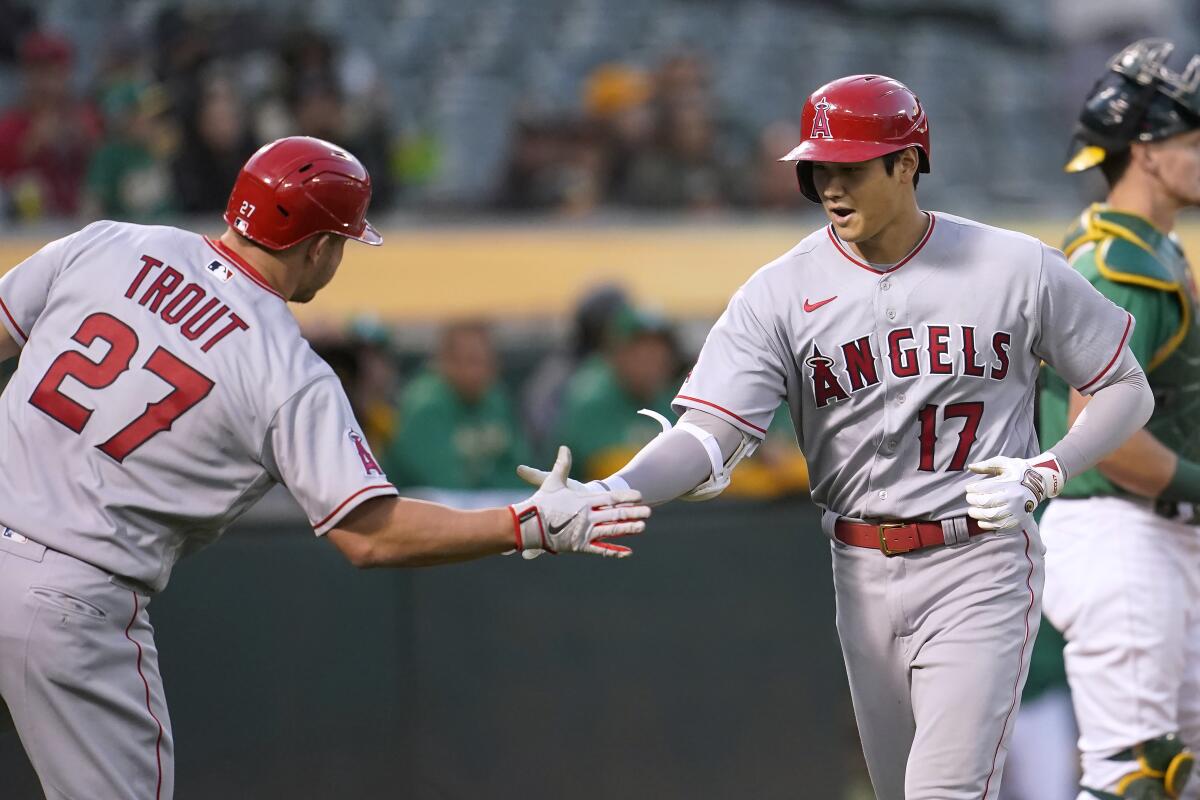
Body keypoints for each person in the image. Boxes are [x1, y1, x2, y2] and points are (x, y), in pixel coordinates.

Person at [518, 74, 1154, 798]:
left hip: (977, 559)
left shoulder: (1015, 266)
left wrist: (1049, 467)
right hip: (858, 567)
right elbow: (708, 434)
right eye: (818, 166)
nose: (829, 184)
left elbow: (1126, 388)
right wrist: (614, 490)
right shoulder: (779, 291)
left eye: (849, 165)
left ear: (907, 163)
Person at [0, 135, 649, 800]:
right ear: (318, 248)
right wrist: (525, 524)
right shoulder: (286, 367)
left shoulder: (109, 243)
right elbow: (372, 535)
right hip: (72, 596)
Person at [1040, 38, 1200, 800]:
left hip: (1157, 531)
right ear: (1146, 151)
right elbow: (1102, 434)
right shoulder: (1117, 264)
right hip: (1118, 532)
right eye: (1194, 141)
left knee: (1183, 776)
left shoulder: (1151, 248)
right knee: (1136, 777)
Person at [384, 320, 530, 490]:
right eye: (472, 361)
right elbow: (444, 483)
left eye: (487, 361)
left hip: (484, 506)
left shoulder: (495, 398)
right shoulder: (425, 405)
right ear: (446, 362)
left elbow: (523, 471)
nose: (481, 370)